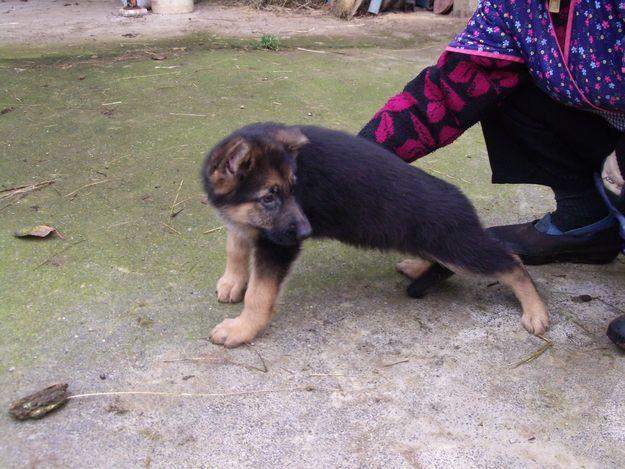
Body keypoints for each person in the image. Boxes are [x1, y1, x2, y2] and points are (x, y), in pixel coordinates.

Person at [358, 0, 625, 348]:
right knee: (496, 85)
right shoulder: (512, 5)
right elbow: (447, 90)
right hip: (605, 124)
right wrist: (352, 162)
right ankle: (584, 220)